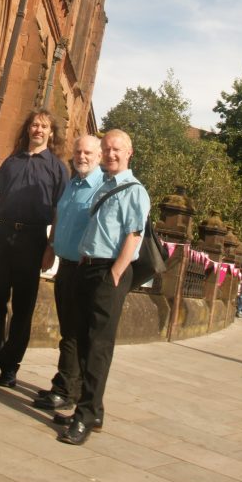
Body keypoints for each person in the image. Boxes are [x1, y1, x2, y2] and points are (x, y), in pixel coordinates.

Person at [0, 108, 69, 388]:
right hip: (2, 232)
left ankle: (10, 366)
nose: (38, 130)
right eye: (34, 125)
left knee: (23, 306)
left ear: (51, 133)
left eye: (44, 126)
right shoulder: (11, 162)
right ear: (28, 129)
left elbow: (61, 210)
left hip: (33, 239)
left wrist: (51, 247)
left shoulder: (58, 168)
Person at [58, 128, 149, 446]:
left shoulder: (134, 190)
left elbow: (133, 235)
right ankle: (92, 409)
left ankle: (84, 416)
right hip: (89, 266)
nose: (111, 154)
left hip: (108, 271)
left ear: (129, 153)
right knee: (83, 340)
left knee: (98, 346)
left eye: (116, 149)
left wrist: (115, 274)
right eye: (107, 148)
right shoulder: (105, 186)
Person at [33, 134, 103, 415]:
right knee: (68, 330)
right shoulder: (73, 183)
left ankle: (69, 390)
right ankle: (65, 385)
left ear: (98, 156)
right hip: (65, 264)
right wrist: (50, 246)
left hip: (85, 268)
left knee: (77, 332)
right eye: (78, 152)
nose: (82, 156)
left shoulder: (100, 186)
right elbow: (60, 217)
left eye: (87, 152)